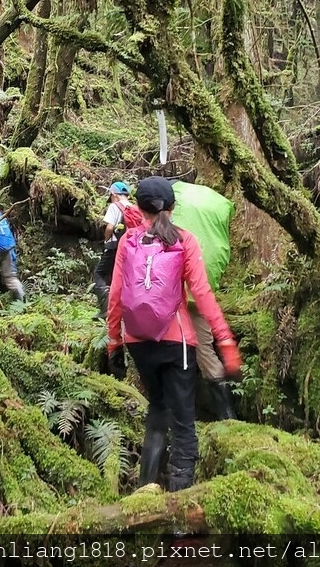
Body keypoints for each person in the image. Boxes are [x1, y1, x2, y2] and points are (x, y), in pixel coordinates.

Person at [107, 176, 241, 492]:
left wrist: (114, 341)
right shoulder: (184, 240)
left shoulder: (128, 241)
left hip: (138, 342)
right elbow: (203, 295)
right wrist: (225, 341)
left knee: (157, 413)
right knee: (183, 425)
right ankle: (180, 512)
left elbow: (115, 295)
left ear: (138, 208)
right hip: (177, 342)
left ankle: (144, 493)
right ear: (173, 208)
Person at [171, 180, 237, 420]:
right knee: (205, 351)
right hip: (199, 294)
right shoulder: (216, 212)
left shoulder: (170, 209)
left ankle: (177, 415)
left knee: (169, 349)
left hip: (170, 295)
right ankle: (227, 417)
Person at [93, 181, 144, 317]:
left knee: (99, 274)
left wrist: (106, 240)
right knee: (122, 276)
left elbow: (110, 227)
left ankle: (106, 309)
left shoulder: (115, 206)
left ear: (114, 194)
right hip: (131, 248)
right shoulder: (135, 208)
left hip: (115, 246)